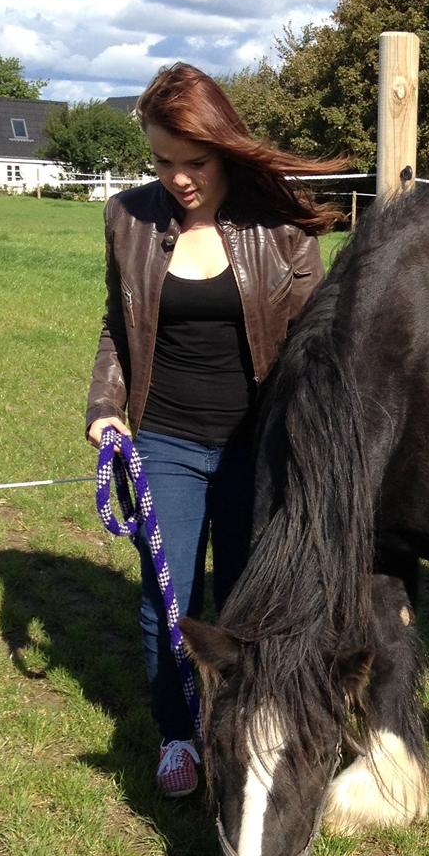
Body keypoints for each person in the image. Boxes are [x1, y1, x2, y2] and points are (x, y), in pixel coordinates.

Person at [86, 62, 344, 797]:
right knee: (165, 600)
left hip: (254, 448)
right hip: (163, 439)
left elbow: (314, 346)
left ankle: (237, 726)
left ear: (224, 147)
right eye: (163, 162)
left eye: (193, 161)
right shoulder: (127, 218)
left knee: (242, 601)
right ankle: (177, 734)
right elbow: (117, 324)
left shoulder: (283, 229)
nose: (178, 178)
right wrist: (105, 406)